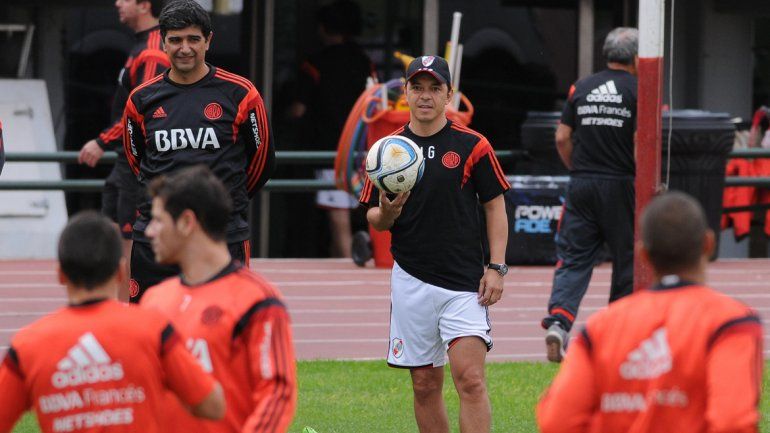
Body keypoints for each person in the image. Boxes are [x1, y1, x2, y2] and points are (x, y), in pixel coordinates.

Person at [359, 55, 510, 433]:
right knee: (425, 384)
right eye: (417, 88)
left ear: (449, 95)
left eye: (435, 88)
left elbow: (495, 206)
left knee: (471, 379)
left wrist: (496, 266)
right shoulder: (385, 151)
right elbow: (374, 221)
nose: (425, 96)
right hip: (411, 280)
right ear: (406, 93)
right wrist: (388, 213)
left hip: (464, 284)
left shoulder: (473, 145)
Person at [537, 191, 763, 433]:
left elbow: (557, 421)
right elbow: (732, 422)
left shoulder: (600, 326)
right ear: (708, 244)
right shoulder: (731, 322)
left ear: (643, 254)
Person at [0, 211, 225, 433]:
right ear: (120, 271)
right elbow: (212, 405)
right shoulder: (153, 329)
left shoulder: (27, 345)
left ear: (60, 274)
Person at [123, 0, 275, 302]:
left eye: (193, 39)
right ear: (163, 42)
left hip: (221, 234)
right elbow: (137, 161)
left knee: (224, 327)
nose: (185, 48)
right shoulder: (141, 99)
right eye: (175, 40)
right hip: (157, 235)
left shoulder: (242, 93)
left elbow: (262, 161)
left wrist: (226, 200)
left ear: (208, 40)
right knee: (149, 332)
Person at [140, 165, 296, 433]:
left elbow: (277, 393)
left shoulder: (257, 300)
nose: (149, 232)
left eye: (158, 220)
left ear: (187, 223)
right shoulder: (154, 299)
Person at [542, 27, 639, 362]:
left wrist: (576, 169)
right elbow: (643, 143)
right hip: (622, 185)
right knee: (628, 261)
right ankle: (617, 333)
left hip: (582, 183)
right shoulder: (642, 89)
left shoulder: (581, 87)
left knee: (573, 258)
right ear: (638, 58)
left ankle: (559, 321)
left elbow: (561, 137)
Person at [77, 0, 170, 301]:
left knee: (130, 245)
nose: (117, 2)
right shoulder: (139, 45)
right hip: (124, 162)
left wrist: (102, 140)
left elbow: (142, 110)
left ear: (144, 5)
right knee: (116, 242)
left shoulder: (154, 48)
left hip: (137, 164)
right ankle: (113, 313)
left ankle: (126, 320)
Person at [289, 0, 374, 258]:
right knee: (367, 208)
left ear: (323, 29)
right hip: (363, 145)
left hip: (330, 148)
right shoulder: (363, 60)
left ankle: (350, 267)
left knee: (339, 216)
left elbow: (298, 110)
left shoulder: (314, 64)